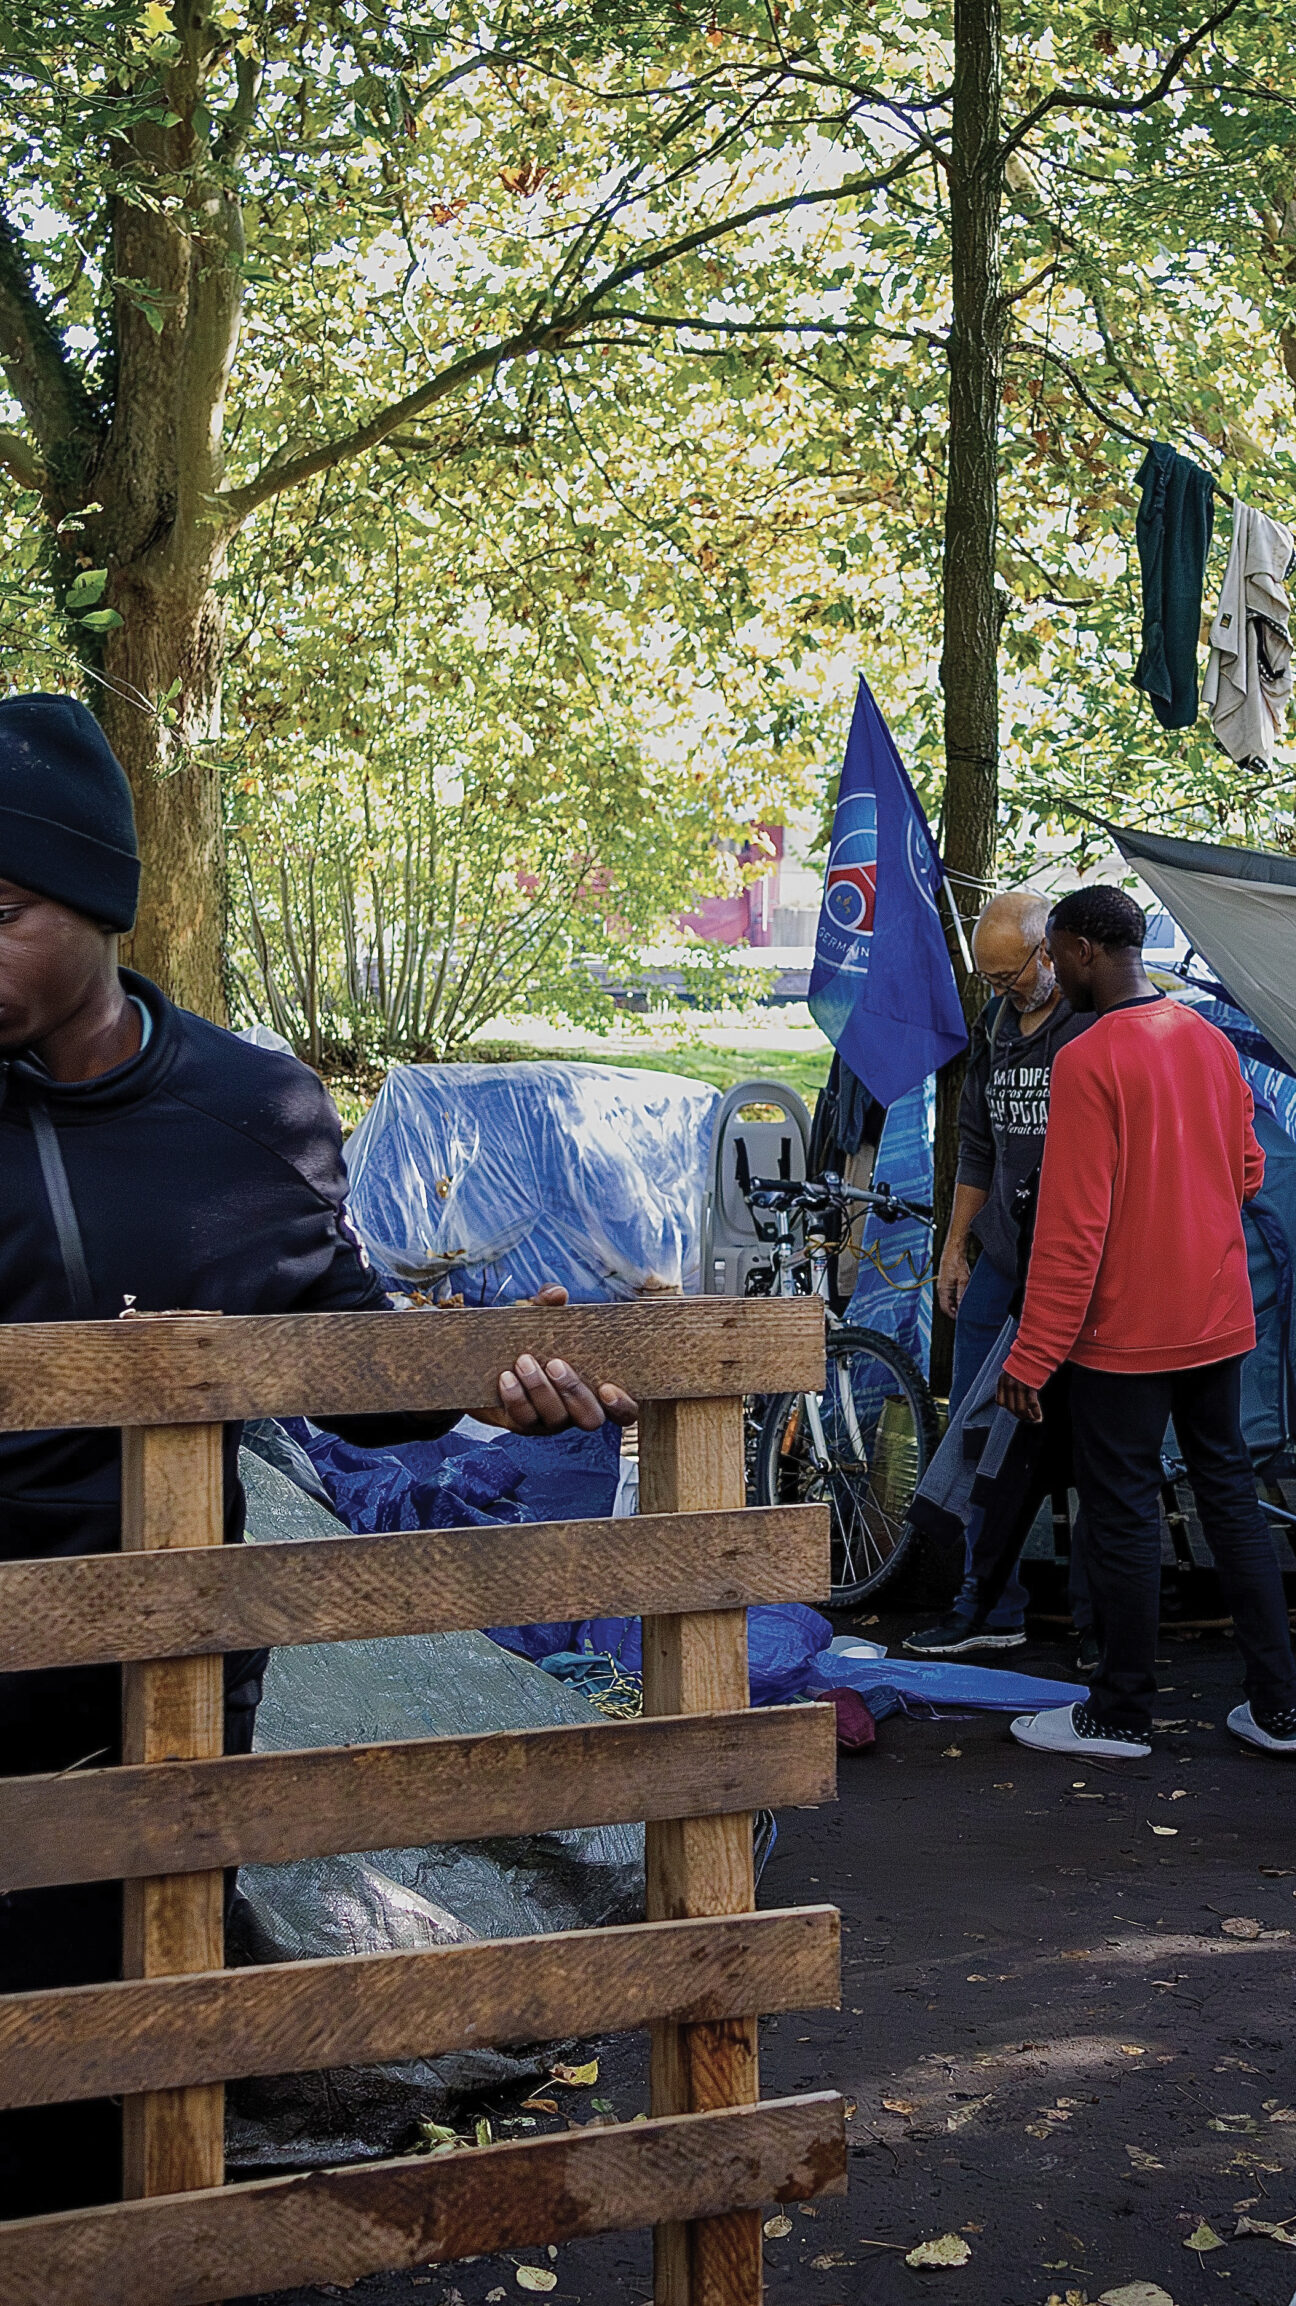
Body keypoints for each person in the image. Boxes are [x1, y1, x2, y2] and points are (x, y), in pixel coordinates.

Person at [0, 692, 637, 2216]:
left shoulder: (249, 1108)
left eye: (2, 907)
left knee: (114, 2041)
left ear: (93, 901)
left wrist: (500, 1379)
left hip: (153, 1668)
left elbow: (359, 1380)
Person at [994, 884, 1296, 1763]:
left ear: (1088, 951)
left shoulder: (1088, 1060)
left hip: (1126, 1336)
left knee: (1123, 1513)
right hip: (1217, 1319)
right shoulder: (1209, 1043)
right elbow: (1248, 1171)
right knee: (1232, 1499)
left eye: (1054, 953)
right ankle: (1280, 1711)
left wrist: (1033, 1354)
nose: (1051, 969)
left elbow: (1071, 1227)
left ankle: (1121, 1714)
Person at [912, 888, 1092, 1656]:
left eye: (1008, 975)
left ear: (1048, 951)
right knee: (977, 1432)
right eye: (988, 981)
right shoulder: (994, 1027)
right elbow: (977, 1148)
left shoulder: (1089, 1026)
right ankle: (990, 1604)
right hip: (1003, 1260)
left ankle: (1099, 1621)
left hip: (1080, 1272)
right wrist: (957, 1247)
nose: (1001, 991)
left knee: (1089, 1444)